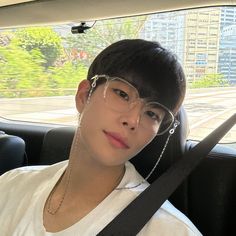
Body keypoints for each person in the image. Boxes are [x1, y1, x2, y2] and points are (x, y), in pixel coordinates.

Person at [0, 39, 202, 235]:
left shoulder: (169, 230)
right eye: (122, 94)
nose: (133, 120)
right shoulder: (11, 185)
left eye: (152, 114)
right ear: (83, 96)